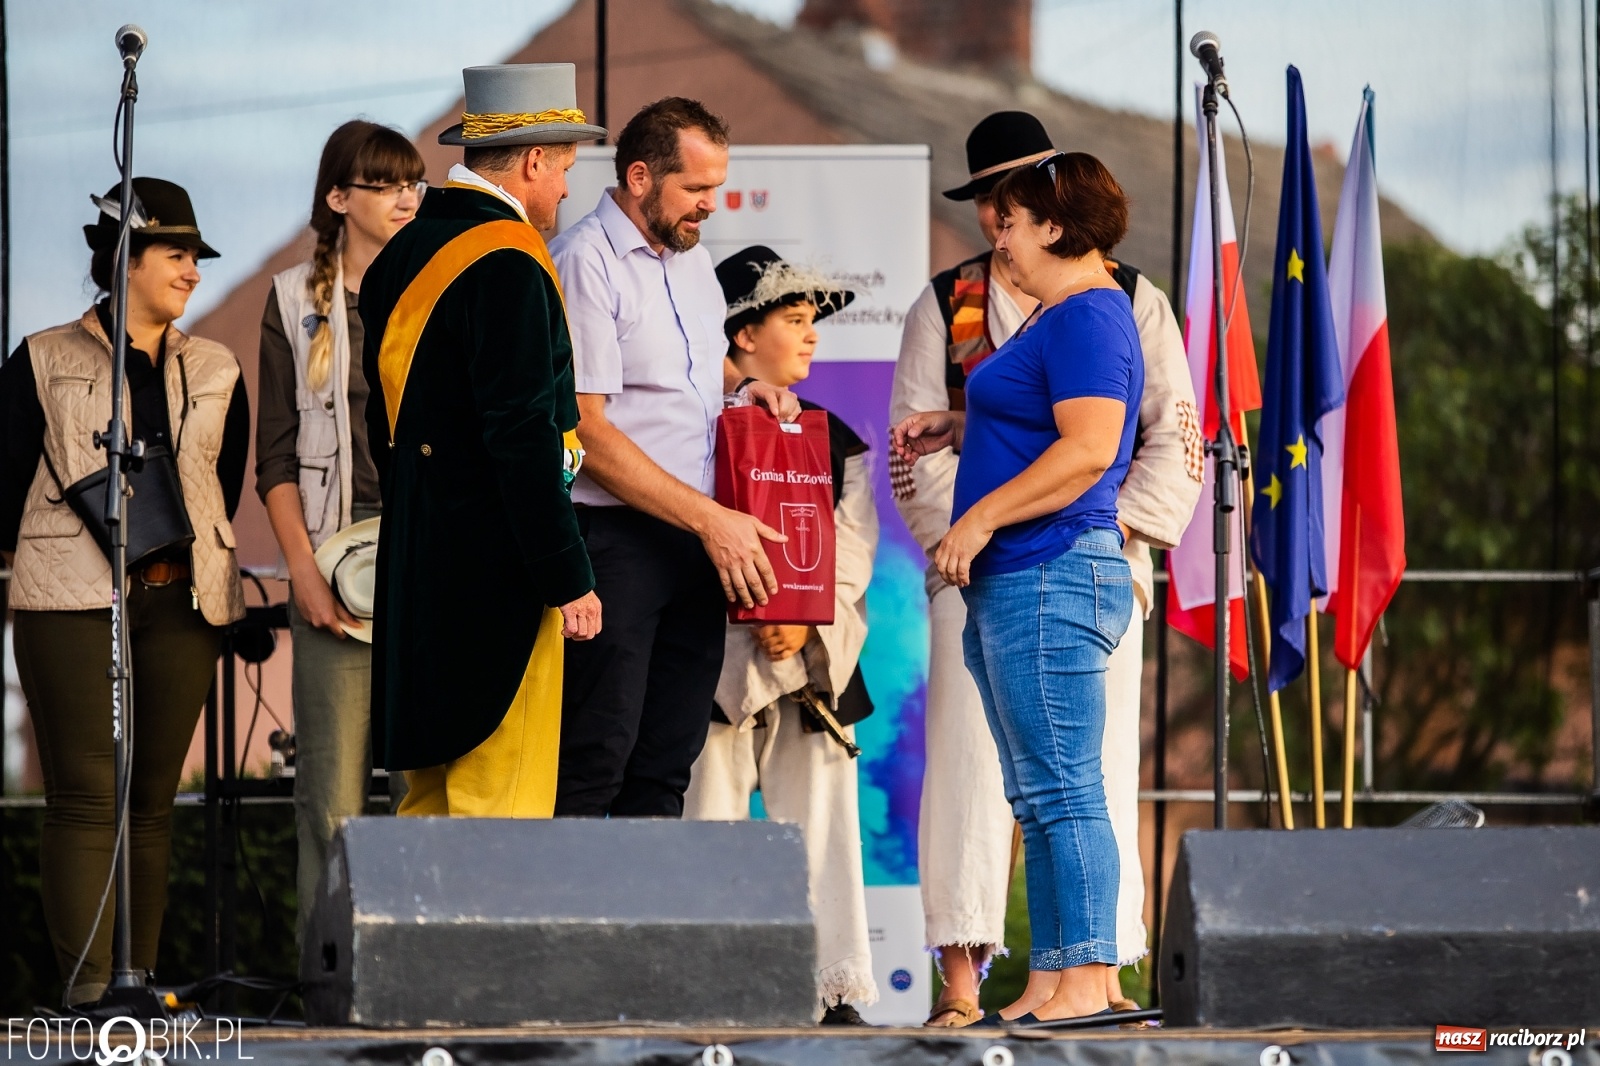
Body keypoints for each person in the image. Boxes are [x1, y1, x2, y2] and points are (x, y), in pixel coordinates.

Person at [892, 113, 1200, 1025]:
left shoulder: (1110, 304)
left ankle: (1091, 977)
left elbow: (1119, 443)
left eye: (1014, 209)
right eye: (991, 205)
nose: (998, 226)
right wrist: (960, 449)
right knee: (1027, 787)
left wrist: (1029, 521)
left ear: (1053, 217)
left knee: (1071, 785)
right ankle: (1038, 978)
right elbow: (1024, 419)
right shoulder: (969, 303)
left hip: (1059, 560)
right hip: (997, 567)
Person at [0, 179, 248, 1006]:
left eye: (196, 258)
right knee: (86, 794)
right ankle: (90, 996)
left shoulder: (216, 366)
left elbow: (221, 485)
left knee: (151, 802)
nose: (193, 272)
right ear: (124, 259)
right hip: (72, 601)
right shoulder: (42, 358)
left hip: (182, 604)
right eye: (176, 254)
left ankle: (135, 988)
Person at [360, 63, 603, 817]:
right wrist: (567, 575)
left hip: (417, 576)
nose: (566, 189)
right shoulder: (510, 261)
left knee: (427, 821)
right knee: (502, 823)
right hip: (499, 586)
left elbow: (383, 430)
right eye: (564, 169)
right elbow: (524, 436)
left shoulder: (399, 254)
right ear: (533, 160)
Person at [551, 98, 799, 819]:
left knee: (666, 768)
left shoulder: (692, 263)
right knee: (593, 760)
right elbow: (584, 431)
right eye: (695, 188)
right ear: (639, 177)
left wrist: (745, 388)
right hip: (614, 542)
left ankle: (643, 902)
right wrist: (711, 520)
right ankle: (565, 901)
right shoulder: (583, 260)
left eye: (716, 187)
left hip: (694, 540)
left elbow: (695, 369)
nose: (710, 204)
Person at [683, 246, 878, 1024]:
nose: (810, 335)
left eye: (810, 322)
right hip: (713, 657)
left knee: (824, 822)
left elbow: (852, 548)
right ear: (742, 335)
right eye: (793, 320)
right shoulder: (693, 428)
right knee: (708, 817)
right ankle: (709, 987)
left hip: (808, 666)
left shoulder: (835, 439)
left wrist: (805, 614)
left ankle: (833, 990)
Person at [255, 120, 425, 942]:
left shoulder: (438, 287)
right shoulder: (294, 297)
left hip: (429, 567)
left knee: (426, 790)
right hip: (332, 563)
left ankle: (423, 974)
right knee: (331, 799)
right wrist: (304, 575)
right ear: (338, 197)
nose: (405, 197)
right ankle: (327, 982)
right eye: (384, 183)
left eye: (413, 182)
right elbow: (275, 458)